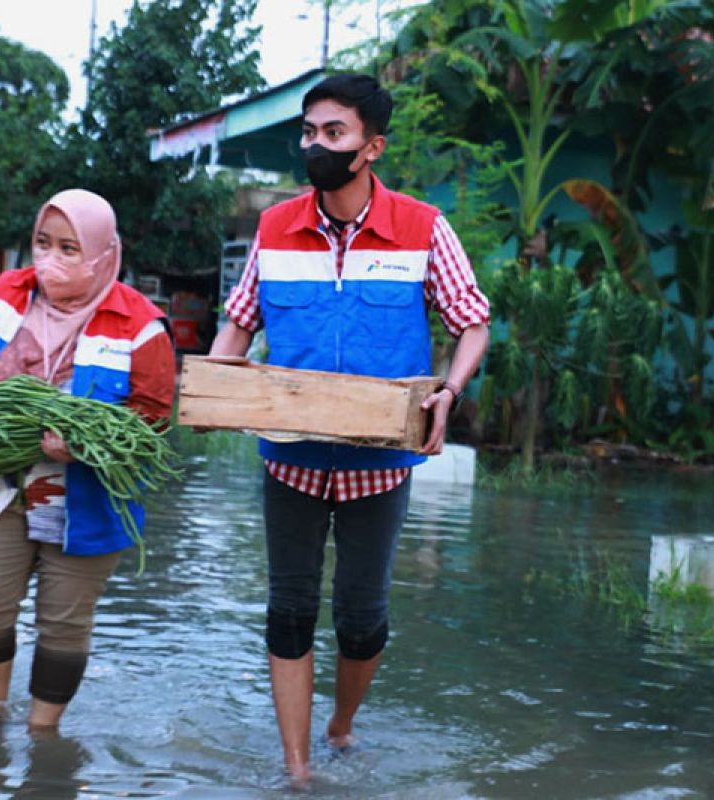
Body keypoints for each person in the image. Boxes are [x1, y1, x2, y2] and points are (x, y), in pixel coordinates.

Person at [208, 73, 491, 781]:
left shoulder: (422, 228)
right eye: (308, 132)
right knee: (290, 611)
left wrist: (449, 391)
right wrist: (215, 389)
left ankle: (340, 725)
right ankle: (299, 771)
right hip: (290, 460)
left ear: (371, 147)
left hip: (379, 465)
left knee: (362, 621)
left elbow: (472, 320)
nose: (315, 145)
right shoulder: (275, 229)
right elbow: (239, 324)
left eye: (332, 133)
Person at [0, 189, 175, 729]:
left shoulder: (142, 324)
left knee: (64, 622)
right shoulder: (6, 295)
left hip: (87, 497)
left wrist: (83, 446)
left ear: (105, 255)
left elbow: (152, 420)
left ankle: (43, 732)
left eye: (69, 248)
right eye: (42, 243)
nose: (49, 260)